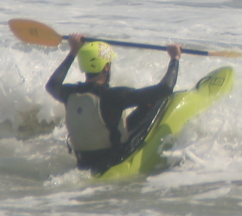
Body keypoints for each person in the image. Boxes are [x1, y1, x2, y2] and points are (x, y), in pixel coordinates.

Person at [46, 33, 182, 174]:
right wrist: (175, 58)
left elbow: (51, 85)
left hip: (84, 161)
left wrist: (73, 51)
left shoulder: (69, 93)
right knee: (156, 100)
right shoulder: (114, 96)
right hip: (114, 160)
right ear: (106, 67)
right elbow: (165, 89)